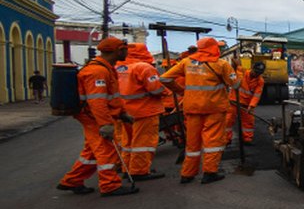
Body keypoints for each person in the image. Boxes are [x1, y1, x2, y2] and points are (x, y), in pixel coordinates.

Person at [56, 37, 139, 197]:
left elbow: (112, 97)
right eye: (124, 48)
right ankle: (110, 186)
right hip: (94, 117)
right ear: (117, 51)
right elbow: (97, 102)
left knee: (91, 152)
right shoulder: (98, 71)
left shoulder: (105, 68)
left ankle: (72, 180)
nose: (127, 52)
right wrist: (105, 124)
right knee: (106, 151)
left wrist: (121, 113)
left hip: (95, 116)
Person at [160, 37, 238, 184]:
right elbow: (236, 84)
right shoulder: (221, 64)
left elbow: (164, 79)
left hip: (192, 108)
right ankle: (209, 172)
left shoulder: (187, 62)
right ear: (214, 48)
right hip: (214, 108)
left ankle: (187, 174)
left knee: (192, 143)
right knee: (212, 141)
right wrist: (237, 68)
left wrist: (182, 91)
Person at [116, 43, 168, 180]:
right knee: (143, 142)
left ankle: (127, 168)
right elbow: (156, 90)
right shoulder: (144, 67)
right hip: (145, 111)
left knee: (128, 143)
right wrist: (165, 91)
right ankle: (139, 171)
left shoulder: (118, 68)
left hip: (125, 112)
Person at [225, 61, 266, 144]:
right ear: (252, 68)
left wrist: (252, 106)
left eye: (259, 73)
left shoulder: (260, 81)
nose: (256, 74)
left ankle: (247, 139)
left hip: (246, 105)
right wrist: (234, 65)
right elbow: (233, 73)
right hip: (234, 101)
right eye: (256, 72)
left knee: (248, 122)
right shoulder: (242, 72)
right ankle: (226, 139)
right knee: (228, 121)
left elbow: (257, 95)